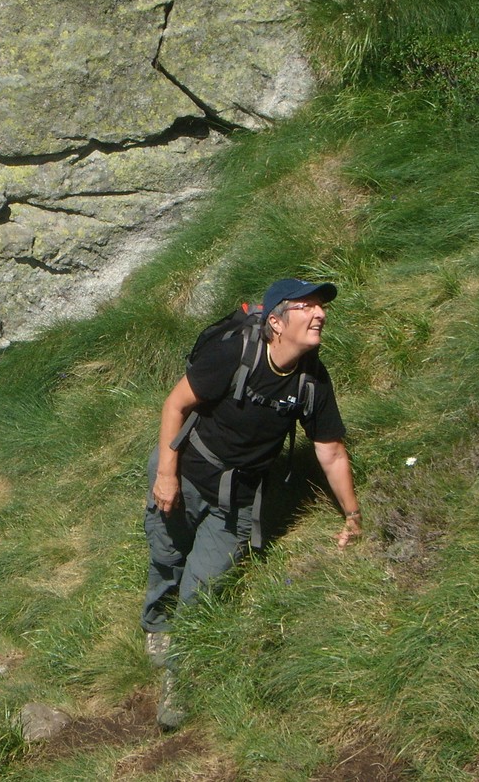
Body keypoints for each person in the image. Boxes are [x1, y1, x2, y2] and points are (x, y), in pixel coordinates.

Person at [142, 278, 362, 729]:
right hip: (185, 472)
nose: (320, 314)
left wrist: (353, 515)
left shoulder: (312, 381)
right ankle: (157, 625)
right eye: (307, 307)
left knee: (204, 587)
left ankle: (179, 679)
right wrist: (166, 475)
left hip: (238, 497)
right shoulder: (235, 353)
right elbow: (175, 405)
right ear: (276, 322)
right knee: (166, 554)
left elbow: (331, 451)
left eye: (321, 308)